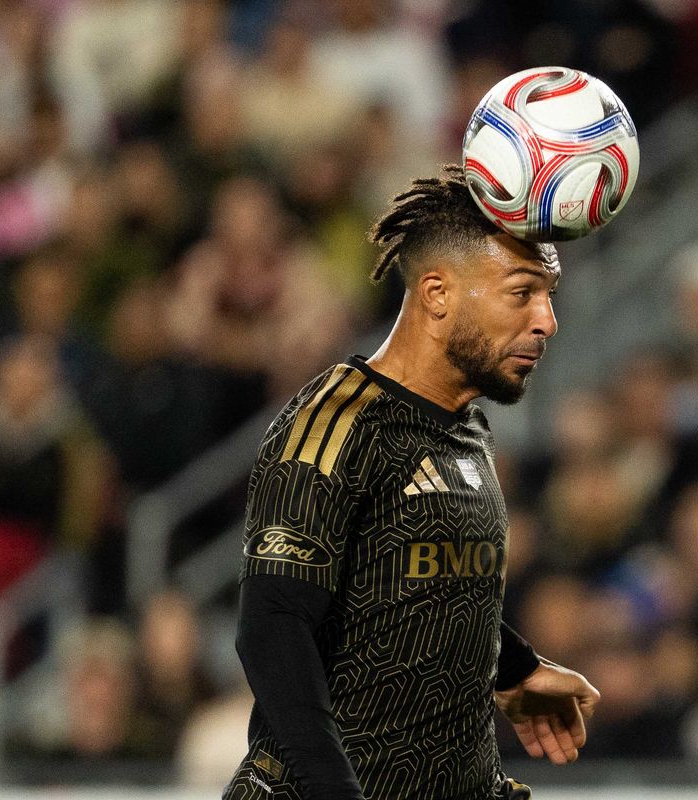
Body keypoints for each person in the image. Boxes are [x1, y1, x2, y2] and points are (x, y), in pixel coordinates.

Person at [223, 166, 599, 800]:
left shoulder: (465, 426)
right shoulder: (334, 425)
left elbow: (406, 583)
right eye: (522, 293)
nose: (547, 321)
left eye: (550, 296)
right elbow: (274, 628)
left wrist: (513, 667)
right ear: (437, 293)